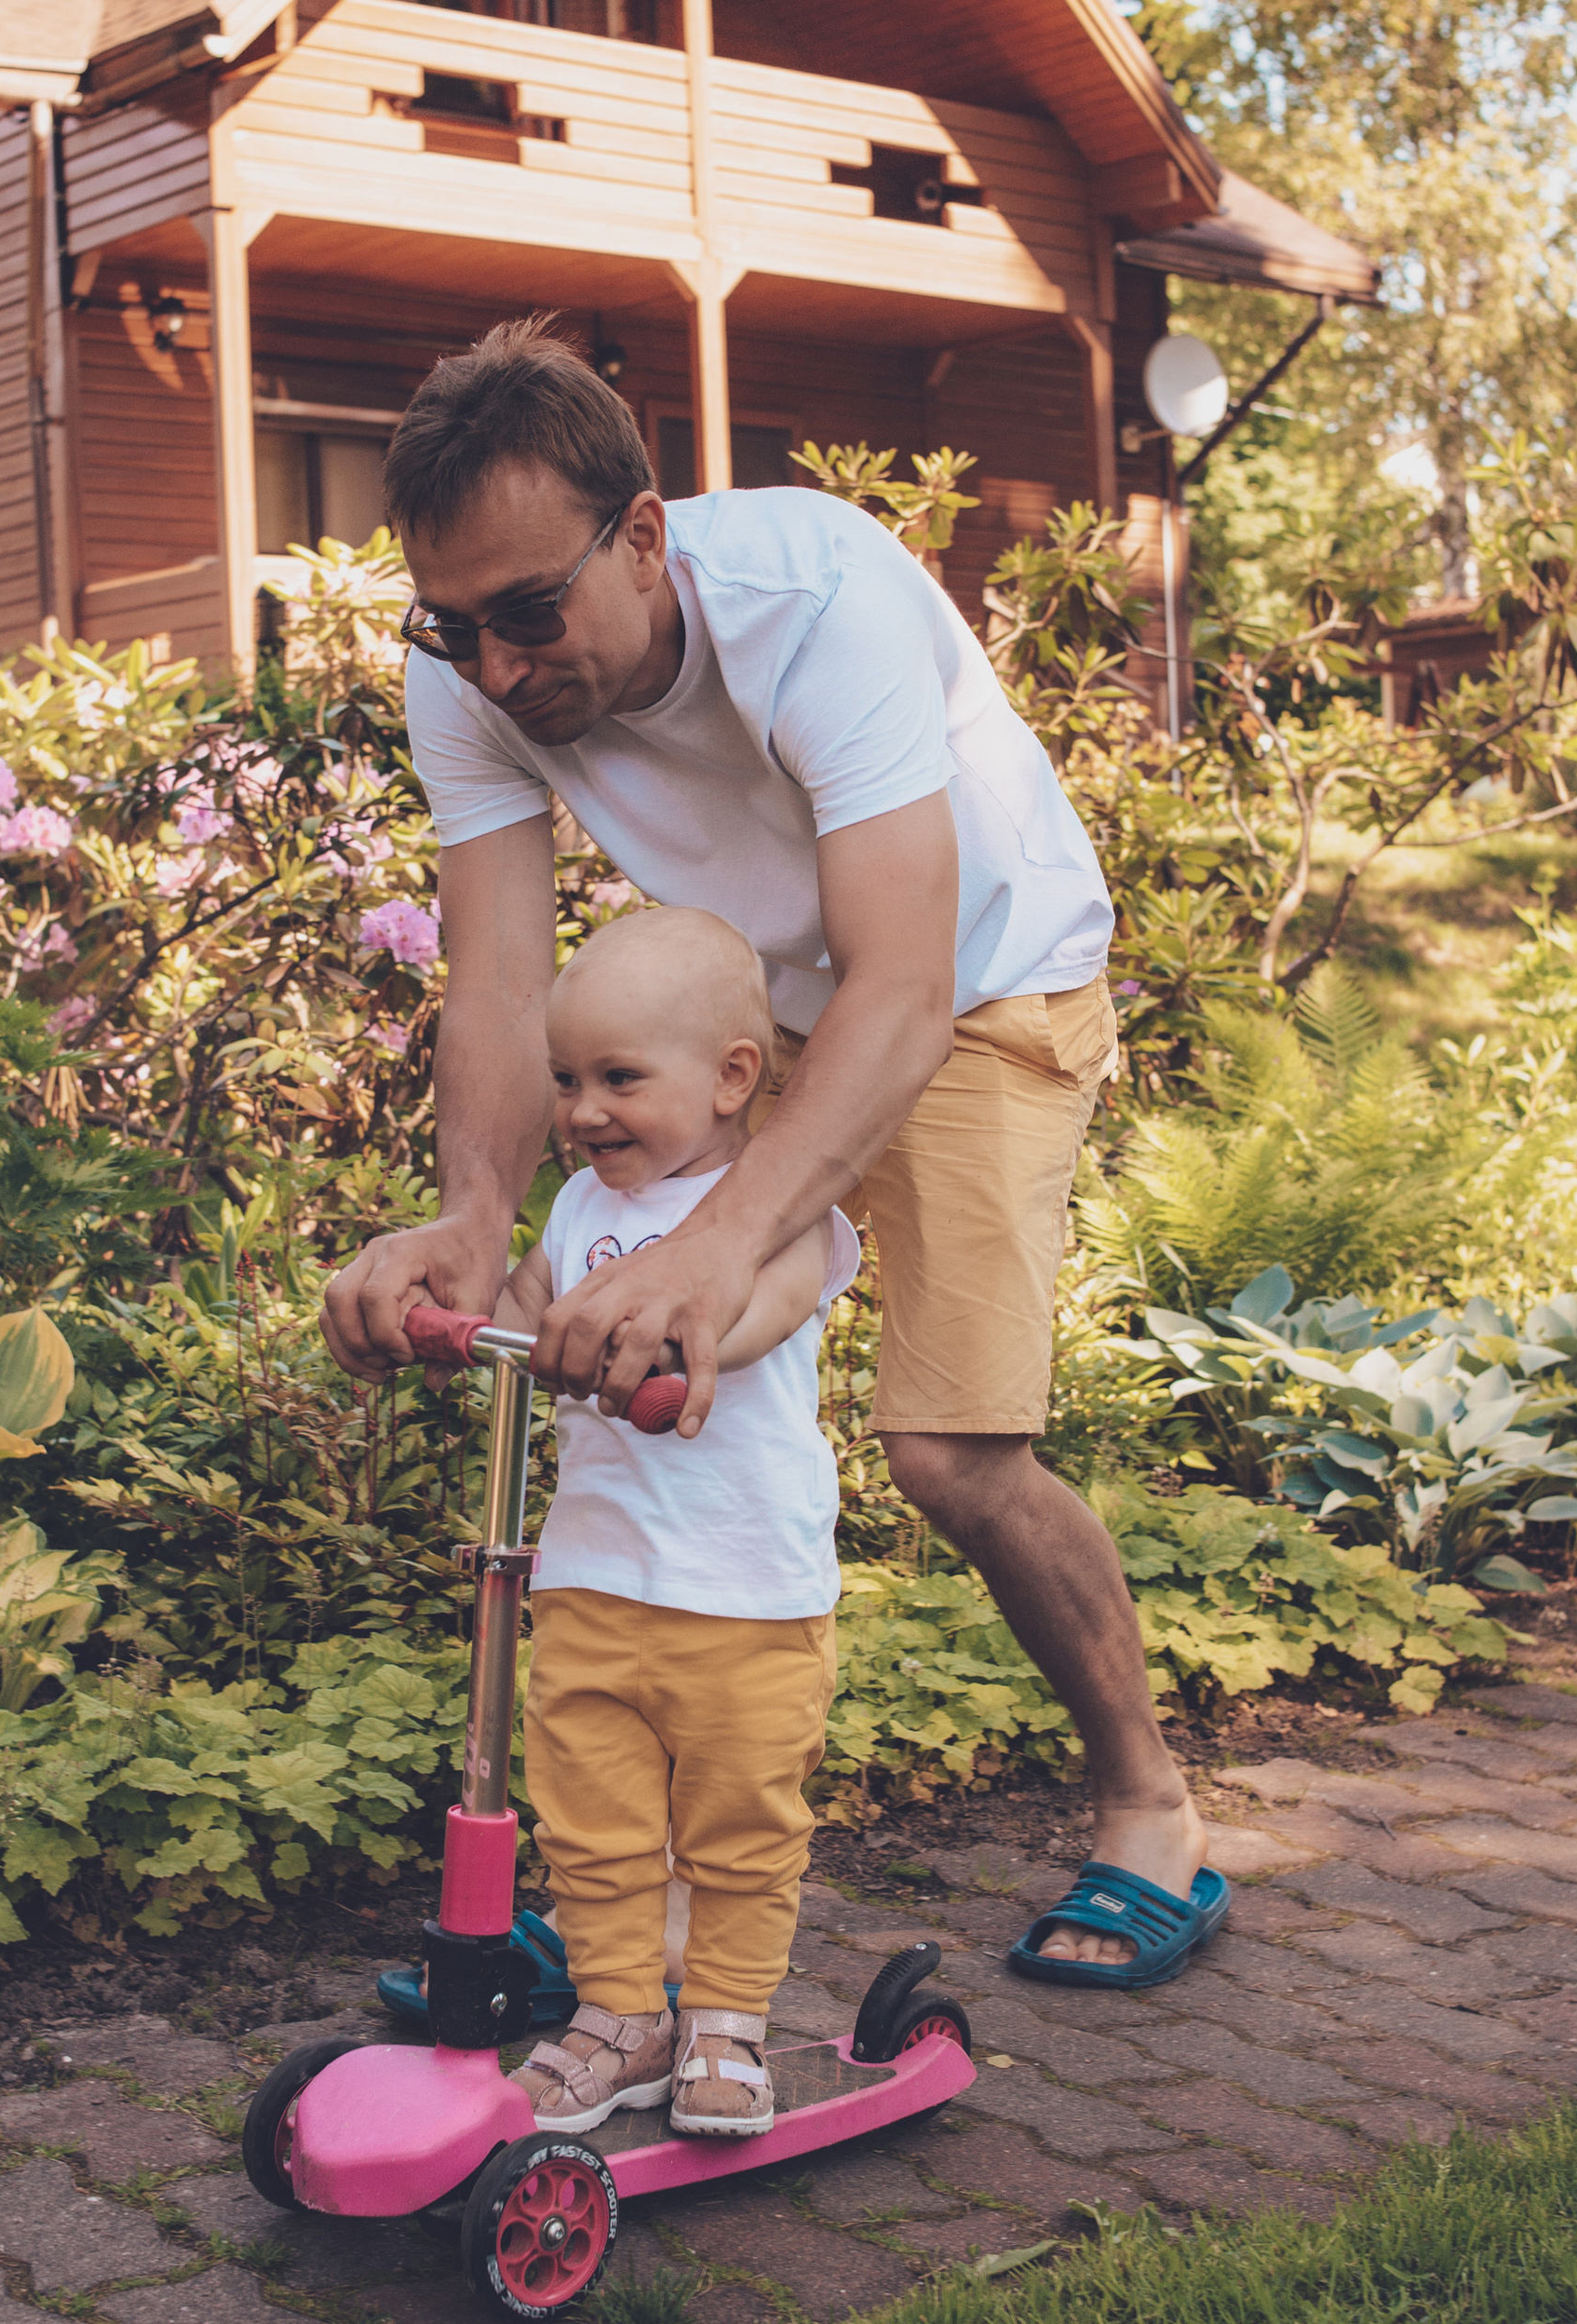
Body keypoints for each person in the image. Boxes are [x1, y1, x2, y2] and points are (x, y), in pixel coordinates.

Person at [324, 317, 1224, 1987]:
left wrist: (721, 1244)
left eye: (533, 615)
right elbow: (501, 984)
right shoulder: (466, 677)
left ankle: (1150, 1806)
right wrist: (467, 1220)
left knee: (952, 1454)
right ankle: (629, 1893)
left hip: (976, 982)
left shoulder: (817, 599)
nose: (503, 671)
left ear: (645, 537)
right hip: (752, 1006)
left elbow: (903, 985)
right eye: (457, 628)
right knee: (620, 1392)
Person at [484, 904, 859, 2134]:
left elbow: (746, 1327)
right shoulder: (579, 1207)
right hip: (594, 1578)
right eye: (566, 1080)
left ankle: (728, 2026)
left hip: (746, 1592)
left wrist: (662, 1352)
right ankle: (619, 2015)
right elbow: (531, 1303)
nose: (583, 1110)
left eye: (618, 1079)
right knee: (592, 1821)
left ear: (730, 1077)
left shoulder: (783, 1218)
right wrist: (473, 1305)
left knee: (740, 1825)